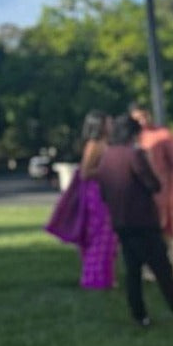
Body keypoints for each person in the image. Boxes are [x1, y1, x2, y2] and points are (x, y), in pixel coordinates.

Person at [95, 114, 173, 329]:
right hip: (143, 221)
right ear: (132, 134)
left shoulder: (106, 157)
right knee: (163, 269)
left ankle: (139, 316)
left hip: (121, 221)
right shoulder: (135, 155)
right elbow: (153, 185)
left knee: (132, 271)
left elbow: (103, 191)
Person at [45, 111, 119, 289]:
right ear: (99, 126)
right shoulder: (94, 145)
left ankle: (106, 277)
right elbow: (86, 172)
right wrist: (108, 170)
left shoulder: (105, 144)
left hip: (105, 192)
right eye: (108, 122)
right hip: (96, 195)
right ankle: (95, 278)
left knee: (108, 238)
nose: (112, 125)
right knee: (100, 235)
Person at [130, 103, 173, 281]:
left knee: (167, 234)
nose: (142, 121)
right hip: (140, 195)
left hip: (163, 193)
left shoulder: (163, 136)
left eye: (144, 116)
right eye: (138, 118)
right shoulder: (131, 139)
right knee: (144, 235)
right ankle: (149, 270)